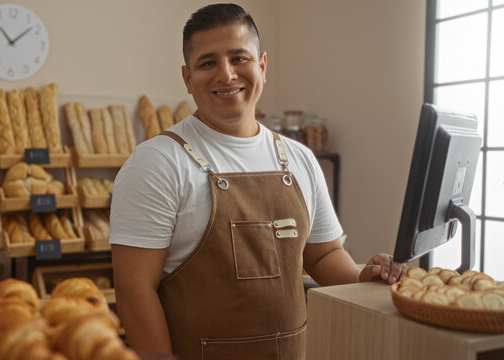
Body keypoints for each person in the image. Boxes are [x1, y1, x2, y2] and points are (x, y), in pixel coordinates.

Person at [109, 3, 407, 359]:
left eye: (239, 58)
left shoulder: (299, 158)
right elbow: (134, 290)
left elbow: (324, 255)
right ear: (188, 79)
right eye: (208, 63)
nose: (226, 74)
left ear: (262, 66)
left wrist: (366, 277)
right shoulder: (156, 163)